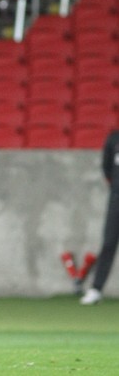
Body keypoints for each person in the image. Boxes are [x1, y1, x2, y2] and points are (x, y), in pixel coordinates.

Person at [81, 130, 119, 305]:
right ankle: (96, 289)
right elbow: (107, 169)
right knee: (109, 242)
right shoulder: (114, 138)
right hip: (116, 199)